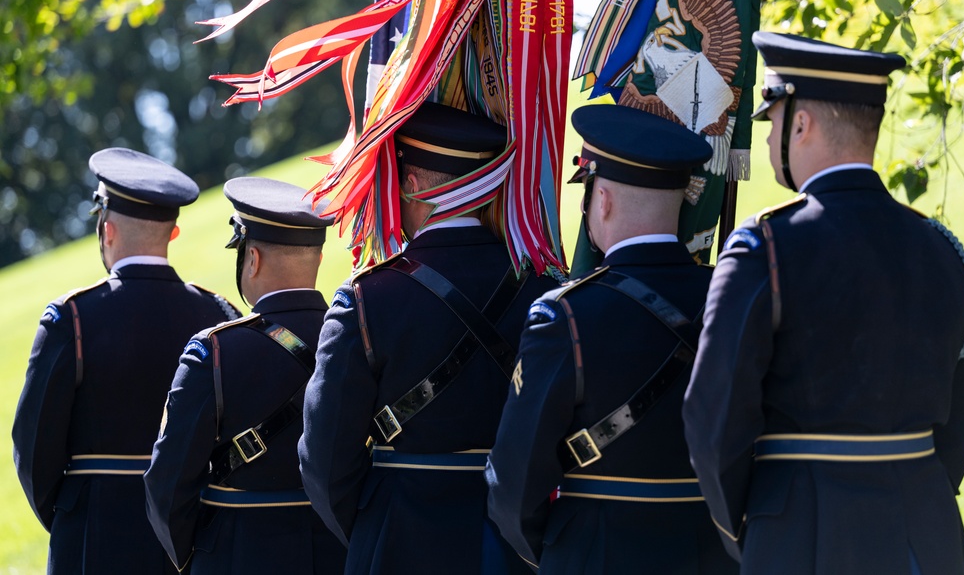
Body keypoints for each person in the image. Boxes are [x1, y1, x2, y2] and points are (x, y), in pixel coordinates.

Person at [683, 32, 964, 575]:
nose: (773, 131)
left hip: (800, 537)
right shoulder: (945, 251)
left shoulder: (765, 247)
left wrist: (752, 528)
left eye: (773, 121)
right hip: (926, 536)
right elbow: (960, 424)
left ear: (801, 124)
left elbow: (714, 418)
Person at [299, 102, 557, 574]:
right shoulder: (544, 285)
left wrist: (371, 530)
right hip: (513, 554)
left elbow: (323, 458)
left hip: (399, 542)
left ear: (412, 183)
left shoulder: (367, 297)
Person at [485, 104, 736, 573]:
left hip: (594, 554)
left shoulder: (565, 314)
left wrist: (562, 553)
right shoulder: (733, 299)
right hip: (714, 554)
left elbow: (514, 486)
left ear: (600, 200)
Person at [12, 147, 240, 574]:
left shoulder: (71, 318)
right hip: (193, 546)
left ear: (107, 227)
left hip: (92, 541)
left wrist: (74, 513)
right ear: (173, 233)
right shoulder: (220, 317)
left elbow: (33, 453)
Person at [143, 176, 346, 574]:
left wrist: (200, 559)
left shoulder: (214, 351)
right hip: (340, 556)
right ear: (318, 259)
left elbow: (166, 486)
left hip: (239, 555)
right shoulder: (357, 331)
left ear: (251, 258)